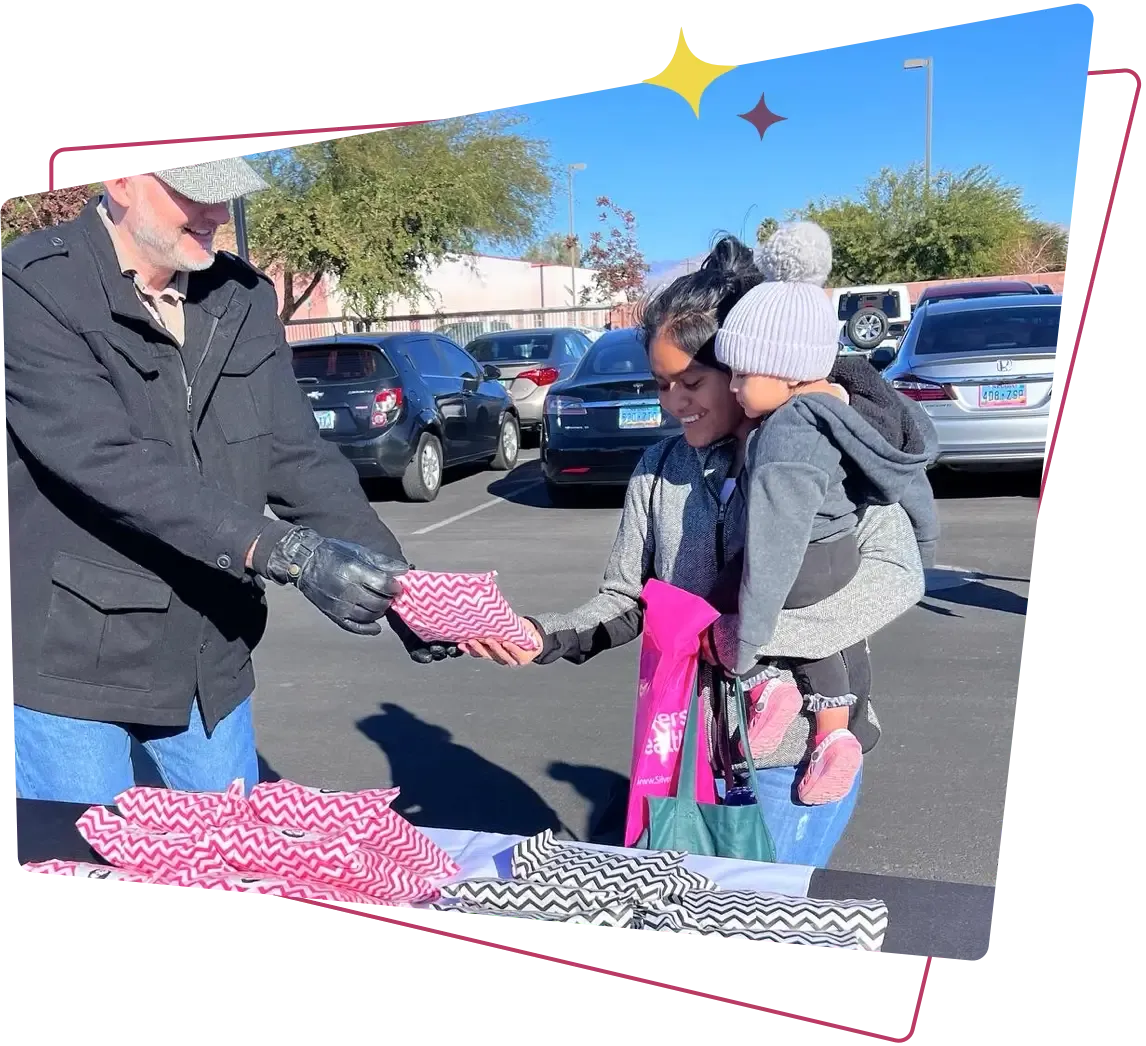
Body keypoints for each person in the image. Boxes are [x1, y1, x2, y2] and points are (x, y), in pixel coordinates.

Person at [461, 234, 928, 868]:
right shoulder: (658, 471)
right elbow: (628, 599)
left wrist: (750, 637)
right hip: (688, 754)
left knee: (757, 935)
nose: (675, 401)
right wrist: (541, 635)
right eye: (662, 384)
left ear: (747, 366)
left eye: (693, 381)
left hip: (793, 759)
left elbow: (898, 574)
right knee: (684, 929)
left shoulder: (828, 458)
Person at [3, 158, 457, 806]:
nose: (216, 214)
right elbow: (109, 463)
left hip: (208, 656)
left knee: (234, 875)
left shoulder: (241, 297)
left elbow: (297, 454)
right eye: (194, 195)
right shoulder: (36, 286)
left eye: (225, 198)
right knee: (91, 878)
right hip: (80, 658)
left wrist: (396, 581)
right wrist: (289, 553)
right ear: (120, 181)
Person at [711, 221, 938, 807]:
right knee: (827, 640)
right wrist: (925, 542)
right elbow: (904, 482)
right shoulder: (840, 411)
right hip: (843, 552)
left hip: (808, 558)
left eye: (741, 373)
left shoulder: (785, 435)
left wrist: (750, 642)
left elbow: (776, 538)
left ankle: (768, 690)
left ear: (785, 370)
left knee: (742, 596)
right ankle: (834, 740)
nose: (733, 388)